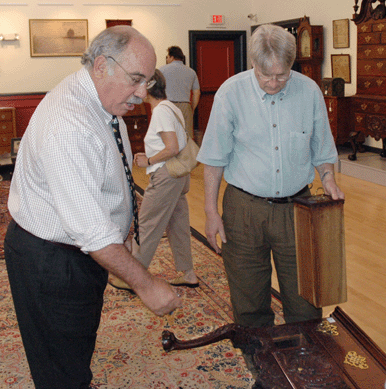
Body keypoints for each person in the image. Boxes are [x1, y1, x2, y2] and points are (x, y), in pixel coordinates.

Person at [4, 26, 181, 389]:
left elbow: (109, 170)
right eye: (135, 79)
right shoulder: (69, 124)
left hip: (71, 255)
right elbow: (91, 231)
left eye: (147, 81)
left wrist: (125, 221)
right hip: (53, 262)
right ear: (101, 65)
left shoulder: (98, 98)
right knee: (61, 368)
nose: (142, 93)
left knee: (74, 347)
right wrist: (146, 284)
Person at [196, 24, 345, 330]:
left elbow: (323, 150)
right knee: (249, 300)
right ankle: (260, 366)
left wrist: (328, 179)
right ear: (253, 63)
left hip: (298, 209)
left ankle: (305, 366)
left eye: (282, 75)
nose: (274, 83)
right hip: (244, 209)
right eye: (266, 76)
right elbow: (213, 159)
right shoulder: (231, 93)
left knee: (306, 298)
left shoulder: (309, 92)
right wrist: (211, 212)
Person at [108, 69, 199, 290]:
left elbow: (172, 147)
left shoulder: (161, 112)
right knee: (177, 223)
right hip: (177, 176)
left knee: (146, 224)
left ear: (147, 88)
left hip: (167, 175)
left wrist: (148, 161)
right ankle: (188, 273)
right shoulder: (170, 108)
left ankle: (133, 279)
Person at [159, 46, 200, 139]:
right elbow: (197, 92)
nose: (167, 59)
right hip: (185, 106)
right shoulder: (191, 72)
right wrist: (192, 108)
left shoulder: (162, 70)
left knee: (168, 135)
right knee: (187, 136)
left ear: (172, 57)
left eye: (167, 57)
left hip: (167, 106)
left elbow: (156, 89)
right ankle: (187, 154)